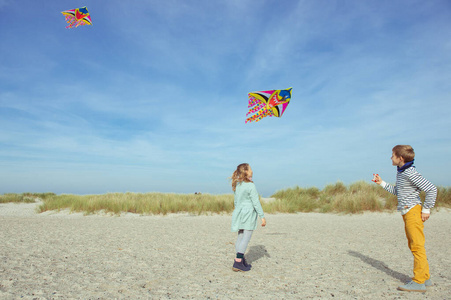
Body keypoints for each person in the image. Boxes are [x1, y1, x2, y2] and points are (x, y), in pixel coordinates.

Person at [372, 145, 437, 293]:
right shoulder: (402, 172)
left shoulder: (410, 172)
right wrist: (381, 183)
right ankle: (425, 278)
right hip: (407, 212)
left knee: (416, 246)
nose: (391, 157)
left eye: (393, 155)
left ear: (400, 158)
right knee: (415, 245)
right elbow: (398, 191)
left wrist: (426, 209)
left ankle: (419, 282)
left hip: (413, 211)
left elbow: (432, 189)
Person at [230, 163, 266, 272]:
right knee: (246, 237)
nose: (252, 170)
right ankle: (238, 262)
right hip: (248, 213)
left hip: (239, 212)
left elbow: (236, 201)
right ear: (246, 171)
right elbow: (256, 202)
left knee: (240, 237)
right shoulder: (250, 185)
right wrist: (262, 216)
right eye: (250, 169)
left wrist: (237, 211)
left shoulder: (238, 185)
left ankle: (241, 260)